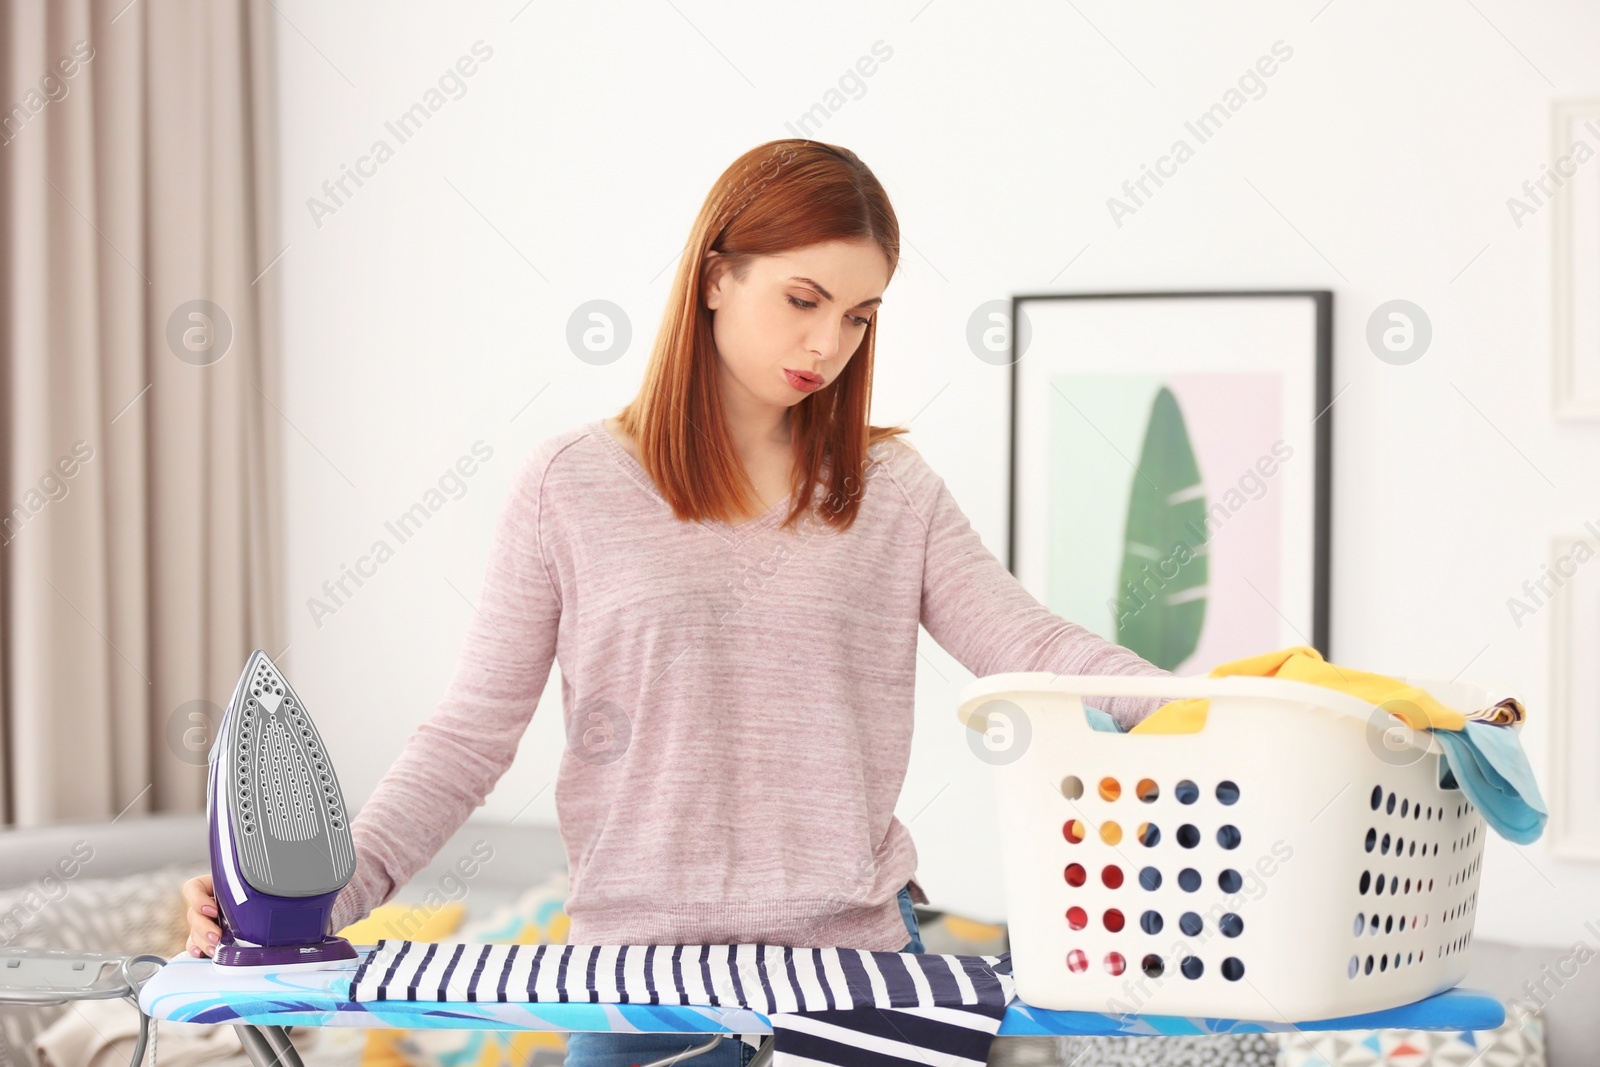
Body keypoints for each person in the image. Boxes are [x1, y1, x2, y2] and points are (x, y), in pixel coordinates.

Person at [182, 138, 1172, 1067]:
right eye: (803, 297)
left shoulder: (889, 488)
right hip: (632, 981)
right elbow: (470, 733)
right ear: (714, 276)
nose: (828, 340)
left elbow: (1026, 642)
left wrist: (1211, 708)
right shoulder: (569, 484)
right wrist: (313, 908)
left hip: (857, 968)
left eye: (859, 314)